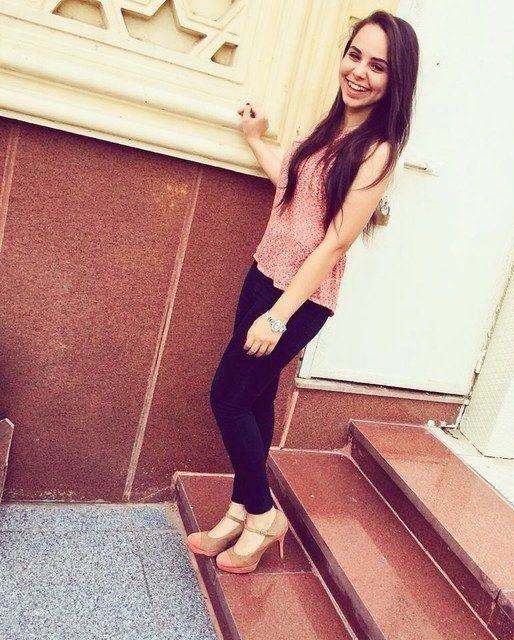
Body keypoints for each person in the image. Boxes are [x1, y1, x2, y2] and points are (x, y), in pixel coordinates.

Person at [187, 9, 419, 574]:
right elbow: (294, 190)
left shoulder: (377, 150)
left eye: (378, 66)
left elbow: (336, 240)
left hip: (299, 299)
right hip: (264, 271)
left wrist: (278, 317)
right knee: (255, 398)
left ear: (396, 80)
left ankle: (264, 515)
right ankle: (240, 510)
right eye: (355, 55)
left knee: (227, 397)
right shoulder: (329, 126)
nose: (359, 72)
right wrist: (256, 141)